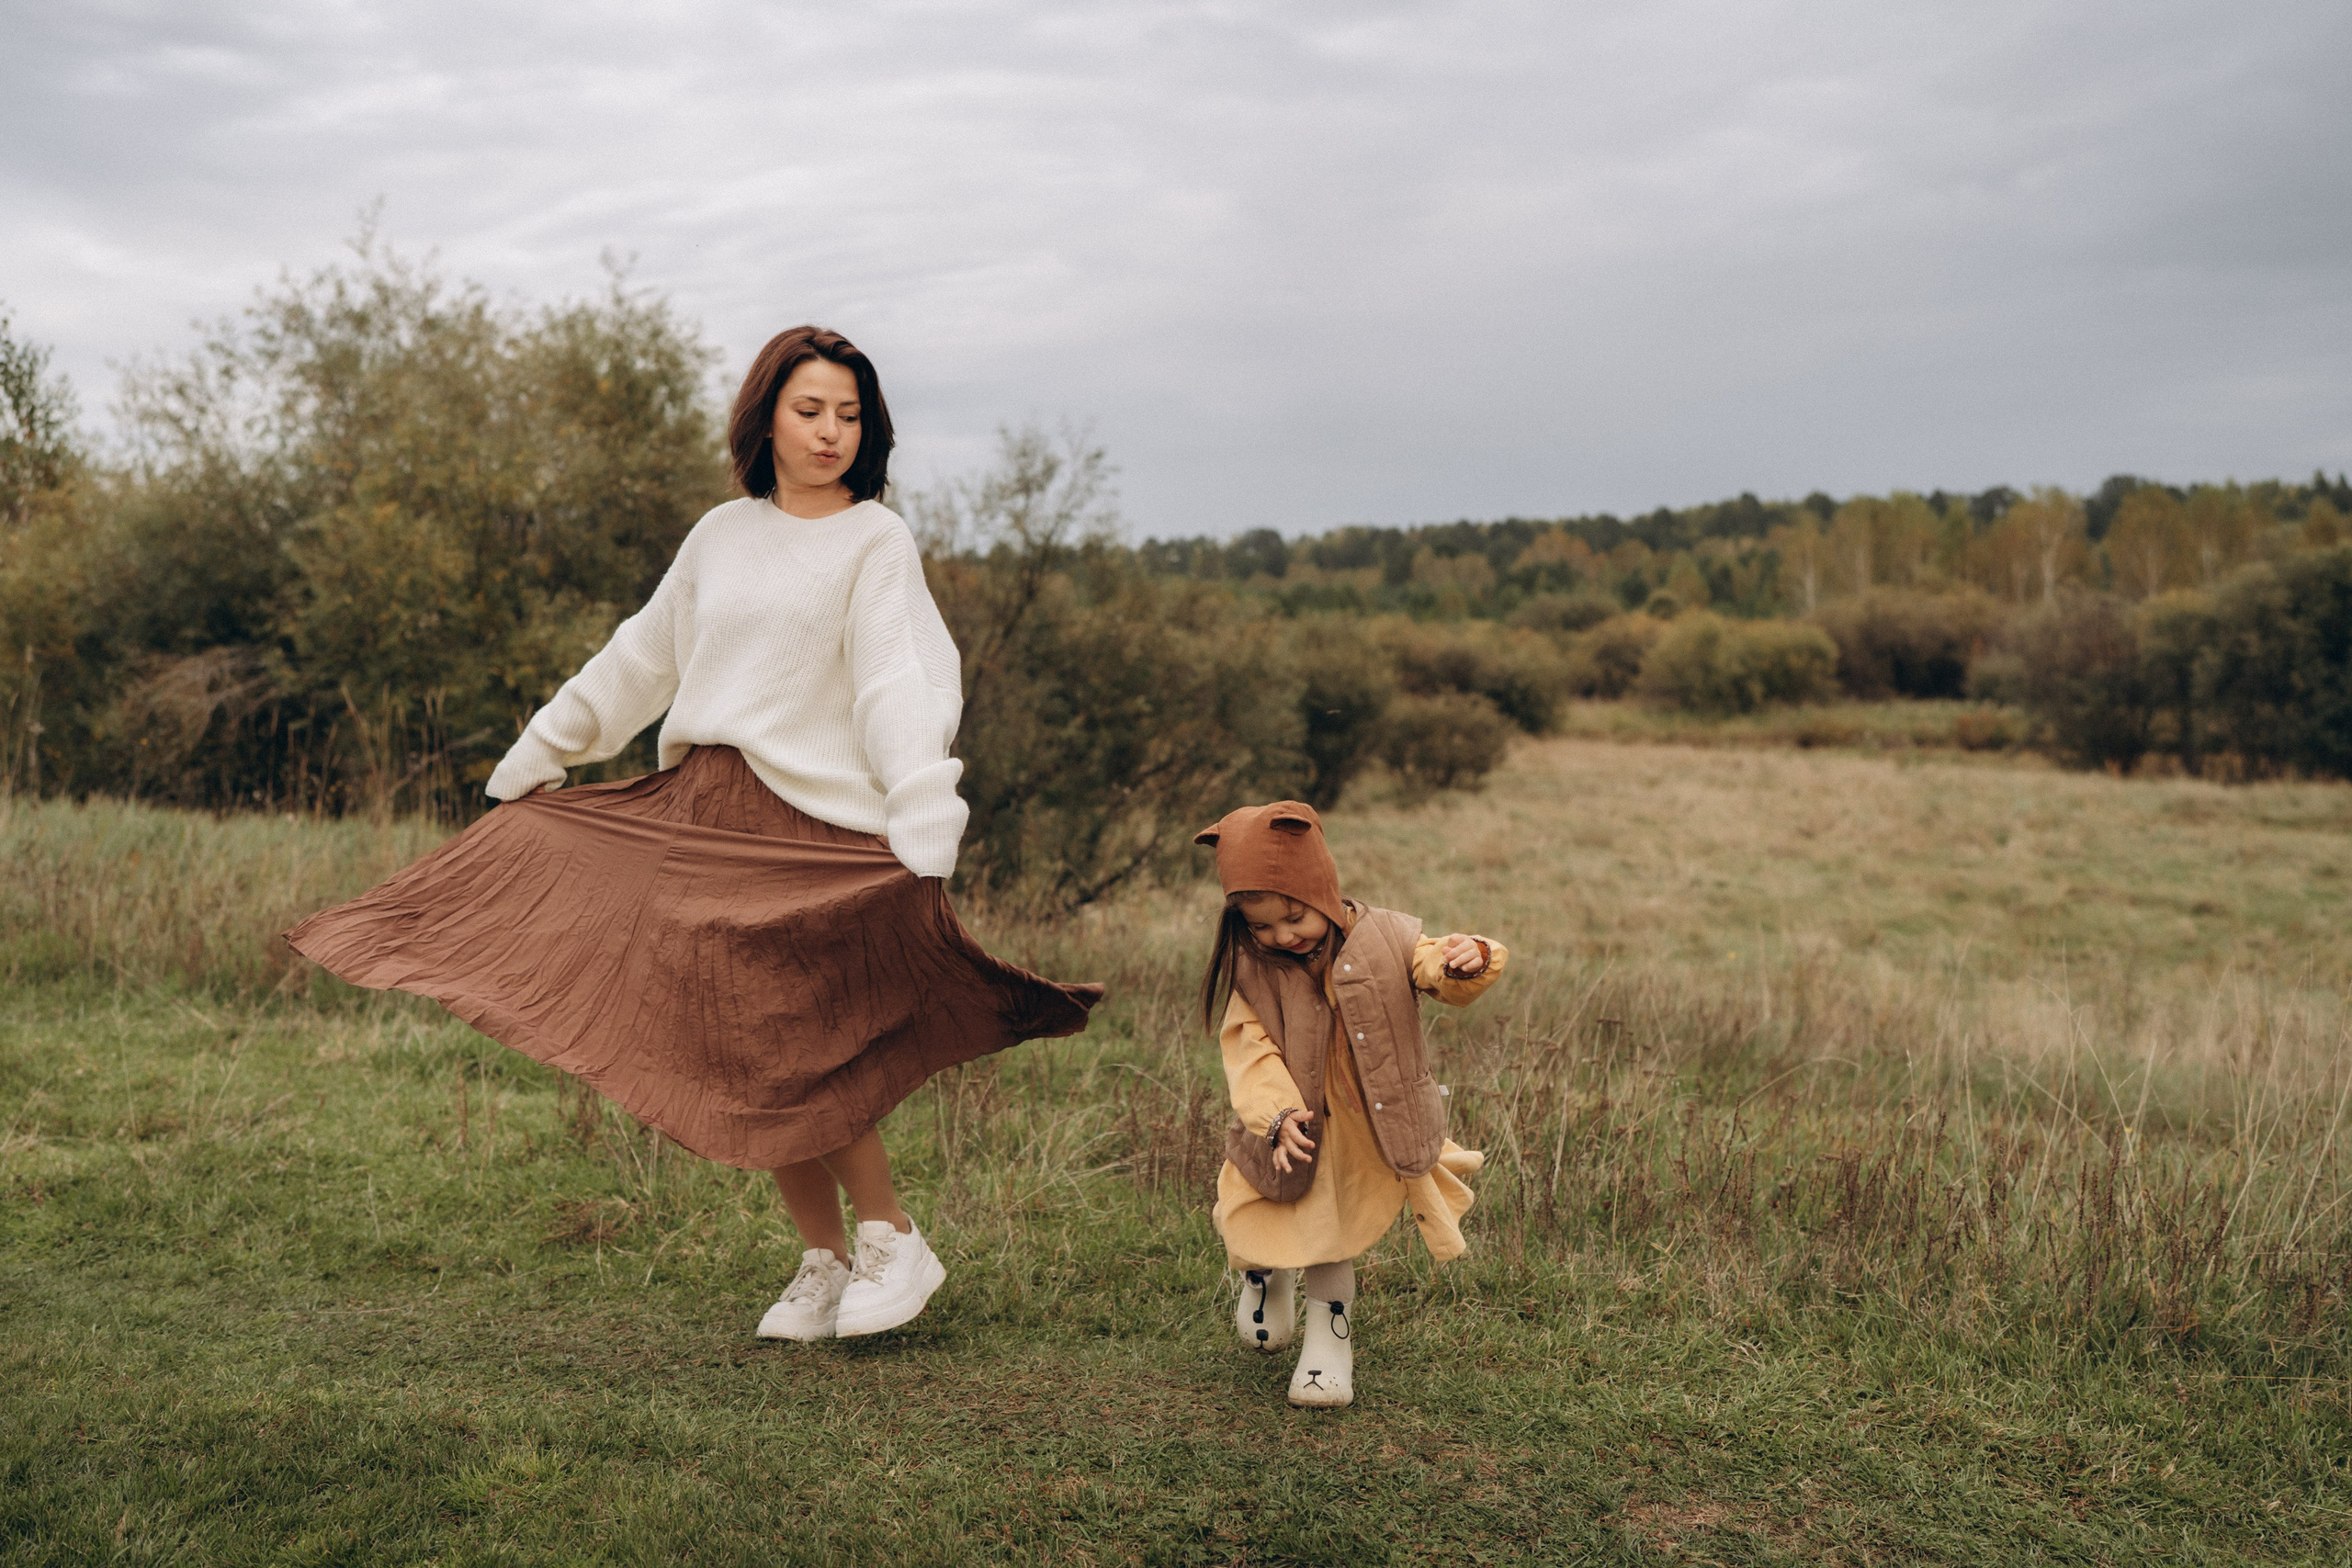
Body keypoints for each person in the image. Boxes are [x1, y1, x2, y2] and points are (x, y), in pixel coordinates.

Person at [287, 325, 1101, 1344]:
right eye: (810, 410)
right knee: (737, 1043)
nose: (830, 433)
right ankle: (823, 1259)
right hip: (700, 813)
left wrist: (922, 810)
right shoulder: (720, 533)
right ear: (766, 415)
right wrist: (542, 752)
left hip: (805, 827)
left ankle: (893, 1235)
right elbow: (641, 657)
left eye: (849, 415)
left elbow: (901, 680)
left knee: (799, 1041)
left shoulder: (872, 540)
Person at [1193, 801, 1505, 1408]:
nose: (1282, 935)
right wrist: (1276, 1116)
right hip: (1289, 1128)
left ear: (1323, 890)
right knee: (1257, 1214)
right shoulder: (1251, 972)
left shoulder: (1387, 939)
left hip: (1360, 1129)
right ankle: (1263, 1278)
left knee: (1329, 1237)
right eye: (1262, 926)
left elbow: (1436, 964)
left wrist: (1470, 956)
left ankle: (1329, 1351)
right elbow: (1249, 1052)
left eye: (1294, 915)